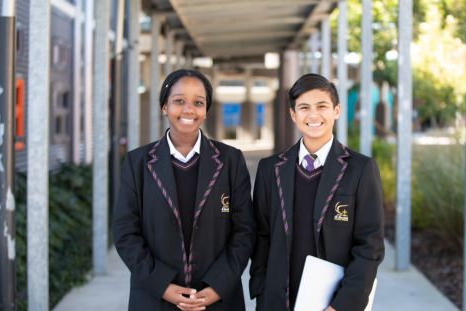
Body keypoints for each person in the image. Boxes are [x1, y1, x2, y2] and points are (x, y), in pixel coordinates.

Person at [114, 69, 255, 311]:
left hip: (217, 300)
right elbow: (126, 233)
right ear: (164, 107)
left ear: (206, 109)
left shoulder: (231, 160)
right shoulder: (138, 163)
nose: (189, 109)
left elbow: (244, 231)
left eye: (198, 103)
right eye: (179, 101)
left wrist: (217, 287)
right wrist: (162, 285)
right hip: (155, 298)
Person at [249, 73, 385, 311]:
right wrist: (261, 288)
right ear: (293, 115)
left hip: (333, 302)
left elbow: (369, 246)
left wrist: (342, 305)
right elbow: (261, 236)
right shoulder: (269, 169)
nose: (313, 115)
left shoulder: (361, 169)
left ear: (337, 110)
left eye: (321, 106)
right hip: (276, 301)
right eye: (304, 107)